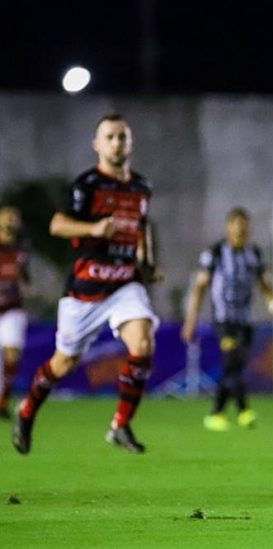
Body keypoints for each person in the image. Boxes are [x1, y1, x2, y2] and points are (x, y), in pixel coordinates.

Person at [12, 113, 162, 455]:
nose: (116, 143)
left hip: (125, 284)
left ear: (131, 143)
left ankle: (120, 425)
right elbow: (58, 225)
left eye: (122, 137)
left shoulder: (141, 187)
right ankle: (27, 410)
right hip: (85, 289)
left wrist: (147, 262)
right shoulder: (87, 185)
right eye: (109, 137)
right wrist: (93, 229)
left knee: (143, 343)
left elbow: (140, 227)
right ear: (97, 144)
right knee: (63, 364)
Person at [181, 207, 273, 431]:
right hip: (224, 320)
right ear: (229, 228)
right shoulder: (216, 252)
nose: (240, 232)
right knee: (231, 361)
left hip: (245, 320)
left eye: (244, 228)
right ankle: (243, 410)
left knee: (235, 367)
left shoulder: (254, 254)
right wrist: (190, 321)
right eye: (236, 228)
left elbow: (265, 284)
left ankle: (217, 413)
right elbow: (199, 288)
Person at [0, 206, 30, 418]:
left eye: (14, 217)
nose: (11, 221)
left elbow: (24, 275)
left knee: (12, 351)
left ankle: (3, 402)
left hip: (13, 306)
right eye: (7, 217)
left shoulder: (22, 248)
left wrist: (27, 284)